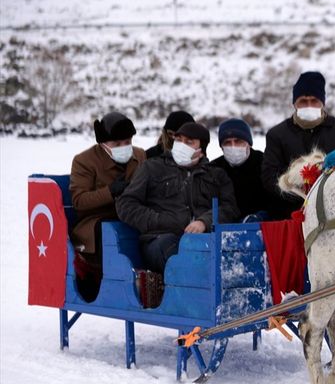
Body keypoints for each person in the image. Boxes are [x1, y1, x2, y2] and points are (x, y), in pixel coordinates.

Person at [117, 122, 239, 274]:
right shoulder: (152, 168)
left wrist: (204, 222)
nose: (182, 145)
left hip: (204, 241)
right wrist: (157, 220)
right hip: (159, 240)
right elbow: (125, 204)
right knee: (174, 251)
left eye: (189, 142)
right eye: (179, 140)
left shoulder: (216, 175)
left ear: (201, 150)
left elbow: (230, 208)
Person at [261, 71, 335, 220]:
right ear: (294, 103)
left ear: (322, 102)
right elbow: (269, 178)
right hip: (289, 214)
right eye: (303, 101)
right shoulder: (277, 135)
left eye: (314, 101)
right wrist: (299, 187)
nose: (309, 106)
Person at [69, 111, 145, 300]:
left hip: (131, 214)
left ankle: (145, 280)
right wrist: (110, 192)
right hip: (94, 222)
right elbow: (79, 201)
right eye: (117, 144)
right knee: (109, 232)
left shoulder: (139, 155)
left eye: (127, 142)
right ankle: (95, 275)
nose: (124, 147)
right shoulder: (84, 161)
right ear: (103, 143)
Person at [211, 118, 270, 221]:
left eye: (238, 141)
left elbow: (276, 199)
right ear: (222, 147)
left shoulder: (265, 163)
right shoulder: (214, 168)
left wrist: (264, 216)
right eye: (227, 142)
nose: (233, 146)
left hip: (262, 225)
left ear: (248, 143)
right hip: (225, 225)